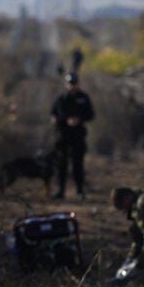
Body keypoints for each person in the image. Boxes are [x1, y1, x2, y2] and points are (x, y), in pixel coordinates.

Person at [49, 71, 94, 200]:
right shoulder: (60, 98)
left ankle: (79, 191)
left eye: (74, 83)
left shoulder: (84, 98)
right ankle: (60, 190)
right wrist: (58, 120)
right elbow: (53, 114)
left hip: (78, 136)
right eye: (70, 83)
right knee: (61, 165)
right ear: (66, 84)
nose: (72, 86)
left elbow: (91, 115)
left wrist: (79, 120)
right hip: (62, 136)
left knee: (77, 165)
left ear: (77, 84)